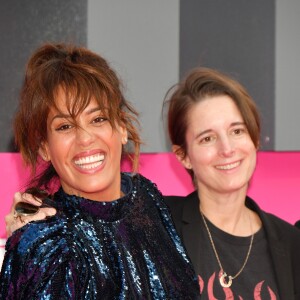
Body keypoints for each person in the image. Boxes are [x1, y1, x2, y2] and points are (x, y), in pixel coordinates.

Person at [0, 43, 200, 299]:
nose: (85, 139)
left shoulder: (146, 197)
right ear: (44, 148)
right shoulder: (46, 246)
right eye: (64, 127)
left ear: (121, 127)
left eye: (98, 119)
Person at [163, 68, 300, 299]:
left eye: (237, 131)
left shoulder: (292, 244)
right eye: (207, 138)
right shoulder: (159, 227)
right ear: (183, 156)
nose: (227, 149)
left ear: (254, 138)